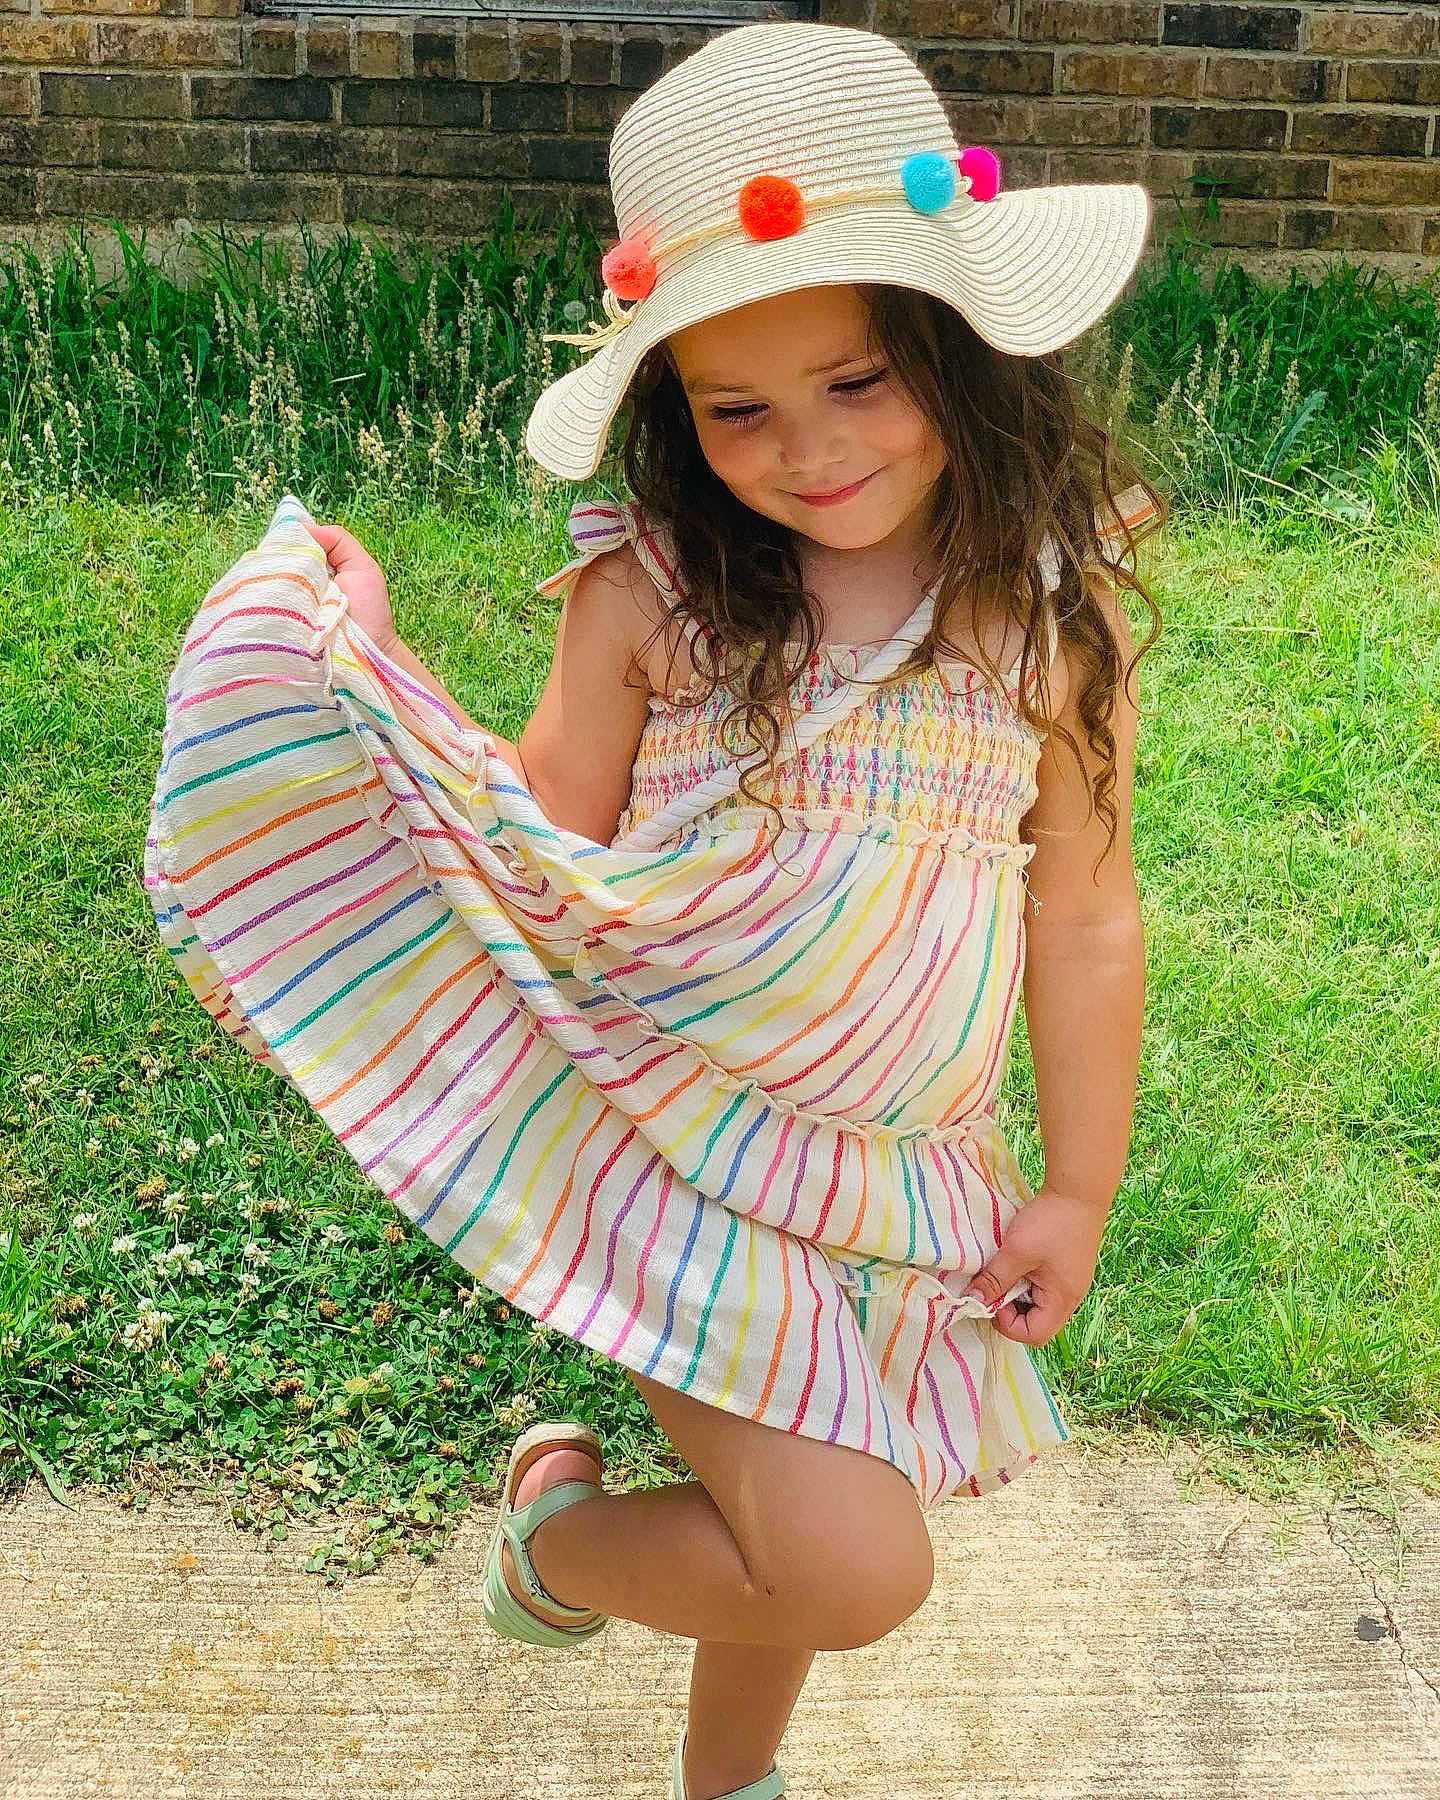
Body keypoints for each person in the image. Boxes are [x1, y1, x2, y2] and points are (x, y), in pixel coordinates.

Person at [144, 20, 1165, 1800]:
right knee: (851, 1560)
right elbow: (532, 852)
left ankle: (727, 1788)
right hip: (662, 1152)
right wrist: (362, 669)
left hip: (885, 1173)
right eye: (737, 404)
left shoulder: (1046, 623)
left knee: (793, 1524)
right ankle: (556, 1549)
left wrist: (1075, 1183)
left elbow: (1083, 916)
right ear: (678, 410)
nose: (809, 448)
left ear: (963, 355)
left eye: (857, 380)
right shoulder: (658, 600)